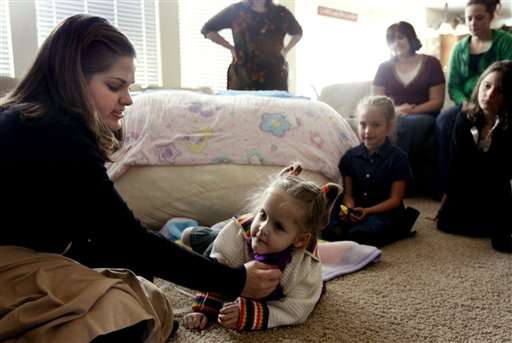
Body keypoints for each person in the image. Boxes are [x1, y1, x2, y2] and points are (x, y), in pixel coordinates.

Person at [0, 14, 281, 342]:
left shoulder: (25, 118)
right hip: (10, 265)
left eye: (128, 87)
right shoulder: (59, 135)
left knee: (136, 279)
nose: (128, 99)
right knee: (138, 309)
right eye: (114, 86)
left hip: (28, 252)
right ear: (72, 79)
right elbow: (130, 240)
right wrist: (236, 281)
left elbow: (106, 235)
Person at [181, 163, 340, 331]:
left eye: (278, 226)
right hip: (230, 241)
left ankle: (201, 235)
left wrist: (249, 314)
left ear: (299, 240)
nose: (263, 228)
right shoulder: (236, 236)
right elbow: (216, 268)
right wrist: (203, 310)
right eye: (263, 215)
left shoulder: (304, 267)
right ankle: (198, 235)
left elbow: (297, 309)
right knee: (211, 243)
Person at [436, 0, 512, 195]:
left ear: (491, 17)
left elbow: (508, 74)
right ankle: (448, 188)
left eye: (479, 18)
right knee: (444, 121)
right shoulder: (459, 47)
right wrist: (465, 102)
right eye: (469, 18)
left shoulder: (505, 41)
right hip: (466, 102)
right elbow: (453, 84)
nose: (473, 23)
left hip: (499, 99)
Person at [322, 96, 419, 247]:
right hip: (358, 209)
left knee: (364, 233)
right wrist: (350, 209)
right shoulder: (350, 157)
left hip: (383, 211)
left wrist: (368, 211)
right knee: (330, 228)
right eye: (363, 124)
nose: (368, 131)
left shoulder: (398, 158)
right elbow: (348, 195)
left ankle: (376, 231)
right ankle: (348, 230)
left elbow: (395, 200)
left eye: (375, 125)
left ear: (389, 126)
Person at [436, 61, 512, 252]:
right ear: (479, 85)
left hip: (497, 191)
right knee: (445, 223)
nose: (489, 95)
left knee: (500, 238)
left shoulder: (508, 126)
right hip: (469, 189)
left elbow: (505, 173)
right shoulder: (464, 120)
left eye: (499, 91)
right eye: (487, 86)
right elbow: (455, 165)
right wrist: (445, 202)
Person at [372, 21, 445, 197]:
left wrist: (412, 110)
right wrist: (397, 110)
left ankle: (399, 182)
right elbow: (376, 101)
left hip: (424, 114)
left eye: (400, 37)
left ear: (411, 38)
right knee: (396, 123)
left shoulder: (431, 63)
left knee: (407, 125)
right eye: (391, 39)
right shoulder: (384, 67)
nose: (396, 43)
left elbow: (437, 101)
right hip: (393, 114)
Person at [201, 0, 302, 91]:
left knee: (275, 110)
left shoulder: (281, 13)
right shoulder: (236, 11)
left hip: (275, 74)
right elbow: (207, 29)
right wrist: (230, 47)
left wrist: (286, 50)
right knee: (241, 109)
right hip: (243, 75)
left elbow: (298, 32)